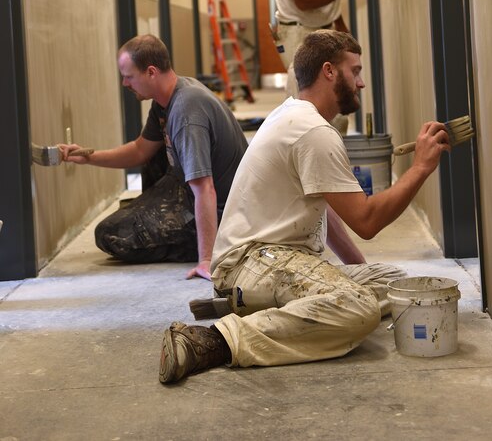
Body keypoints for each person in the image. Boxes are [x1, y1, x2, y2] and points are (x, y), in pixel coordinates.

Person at [158, 30, 450, 383]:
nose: (360, 84)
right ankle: (213, 341)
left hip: (274, 260)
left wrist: (355, 275)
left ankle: (260, 308)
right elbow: (367, 221)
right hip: (251, 262)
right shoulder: (313, 131)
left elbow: (327, 207)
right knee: (359, 309)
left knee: (392, 282)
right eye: (354, 71)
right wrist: (420, 168)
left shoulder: (298, 115)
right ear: (329, 71)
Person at [60, 34, 248, 279]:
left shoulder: (186, 110)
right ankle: (155, 216)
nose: (125, 84)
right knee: (154, 154)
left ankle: (212, 242)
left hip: (225, 213)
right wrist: (89, 156)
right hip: (194, 191)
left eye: (129, 76)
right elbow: (141, 150)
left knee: (111, 234)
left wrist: (206, 259)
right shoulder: (167, 98)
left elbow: (205, 189)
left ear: (151, 72)